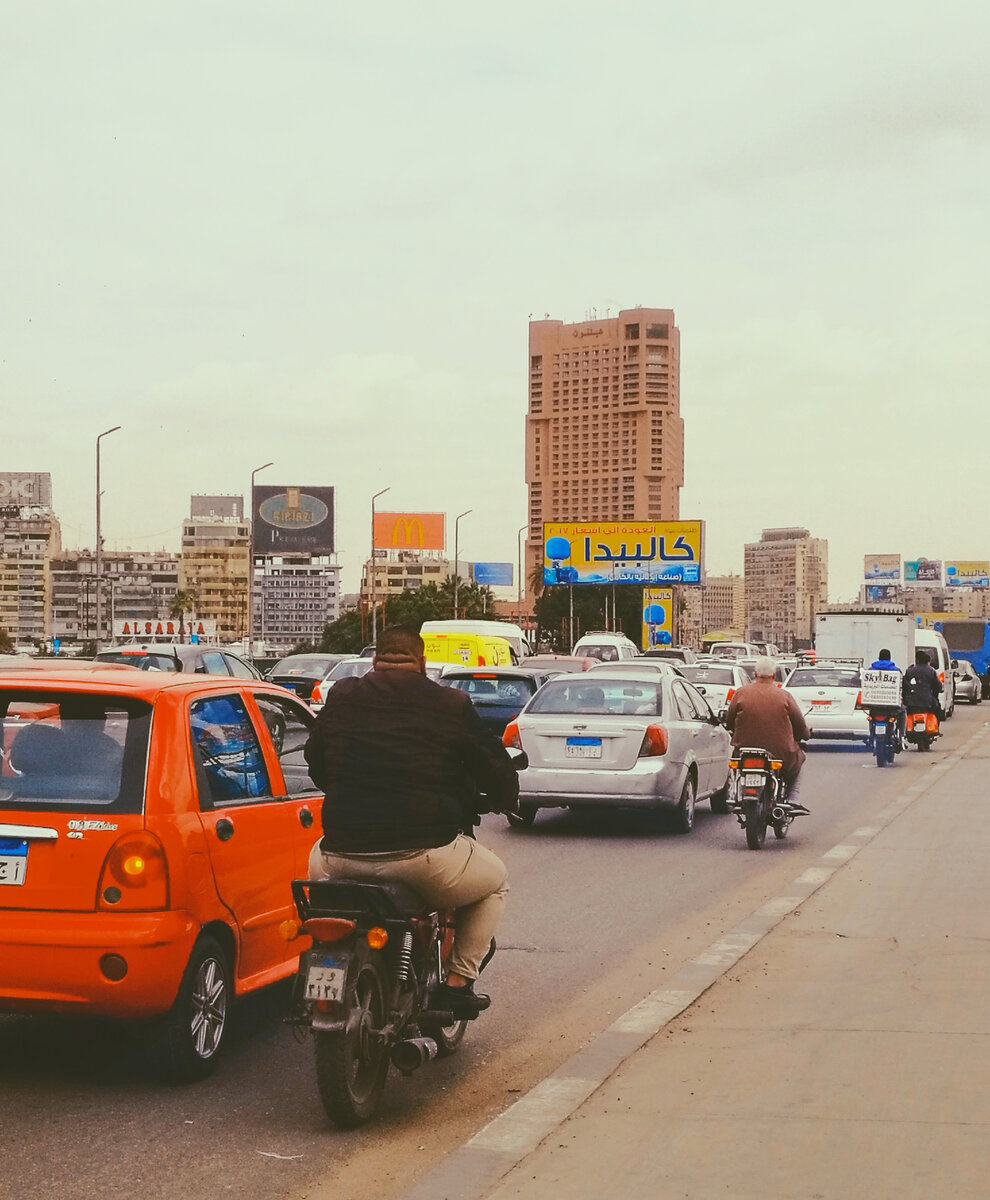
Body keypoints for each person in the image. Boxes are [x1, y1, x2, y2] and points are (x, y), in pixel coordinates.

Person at [304, 624, 519, 1019]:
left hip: (337, 854)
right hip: (422, 856)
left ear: (375, 659)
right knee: (495, 882)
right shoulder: (448, 704)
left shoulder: (342, 695)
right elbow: (492, 763)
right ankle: (457, 984)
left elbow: (315, 760)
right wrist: (507, 798)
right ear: (421, 662)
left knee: (315, 856)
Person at [725, 656, 811, 811]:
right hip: (780, 753)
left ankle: (739, 793)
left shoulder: (740, 693)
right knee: (799, 761)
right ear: (774, 676)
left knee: (736, 768)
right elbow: (799, 725)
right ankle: (793, 798)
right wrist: (805, 734)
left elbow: (729, 722)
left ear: (755, 675)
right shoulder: (784, 696)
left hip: (744, 751)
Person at [903, 648, 943, 719]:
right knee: (938, 711)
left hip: (911, 703)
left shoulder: (909, 671)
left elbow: (904, 686)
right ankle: (936, 728)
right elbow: (938, 687)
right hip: (928, 703)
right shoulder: (931, 671)